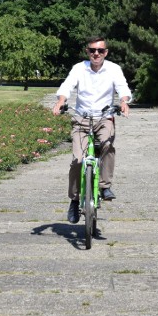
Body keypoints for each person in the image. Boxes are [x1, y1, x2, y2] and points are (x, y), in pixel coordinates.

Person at [52, 37, 132, 224]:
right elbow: (67, 85)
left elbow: (123, 88)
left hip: (105, 117)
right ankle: (74, 199)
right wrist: (61, 101)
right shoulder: (79, 68)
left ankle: (105, 187)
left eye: (100, 51)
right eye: (92, 50)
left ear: (106, 52)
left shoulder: (114, 69)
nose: (96, 54)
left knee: (107, 146)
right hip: (81, 118)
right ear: (87, 52)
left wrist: (123, 102)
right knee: (78, 160)